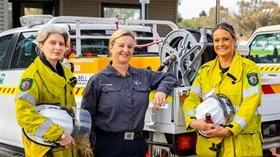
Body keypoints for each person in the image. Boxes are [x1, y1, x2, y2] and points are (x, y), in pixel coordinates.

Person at [81, 29, 178, 157]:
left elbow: (170, 77)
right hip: (107, 147)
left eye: (130, 47)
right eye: (121, 45)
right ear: (111, 47)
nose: (126, 50)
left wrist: (161, 91)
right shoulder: (98, 80)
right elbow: (86, 117)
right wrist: (90, 145)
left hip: (136, 146)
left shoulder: (144, 75)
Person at [183, 22, 262, 157]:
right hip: (209, 148)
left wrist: (229, 130)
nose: (221, 44)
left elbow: (250, 104)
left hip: (240, 146)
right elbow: (192, 99)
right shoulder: (205, 71)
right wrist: (192, 121)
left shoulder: (248, 69)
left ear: (234, 40)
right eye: (216, 40)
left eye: (226, 39)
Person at [15, 25, 78, 157]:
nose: (57, 47)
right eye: (52, 43)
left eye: (61, 44)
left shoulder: (66, 74)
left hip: (65, 147)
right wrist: (59, 134)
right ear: (41, 45)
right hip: (43, 149)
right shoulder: (32, 76)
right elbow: (24, 115)